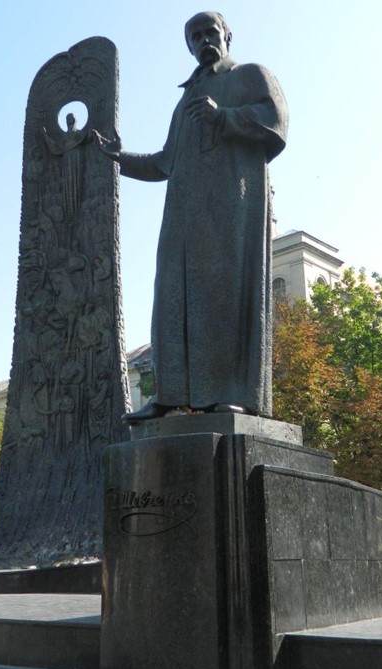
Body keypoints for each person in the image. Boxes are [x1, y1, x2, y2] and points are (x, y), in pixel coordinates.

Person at [97, 11, 288, 421]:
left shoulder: (250, 75)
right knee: (171, 297)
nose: (204, 40)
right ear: (188, 45)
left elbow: (278, 123)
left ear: (227, 36)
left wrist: (225, 117)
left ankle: (232, 393)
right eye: (195, 36)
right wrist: (117, 158)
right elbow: (166, 162)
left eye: (210, 32)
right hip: (182, 219)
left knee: (224, 298)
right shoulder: (186, 98)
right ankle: (169, 396)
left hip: (230, 214)